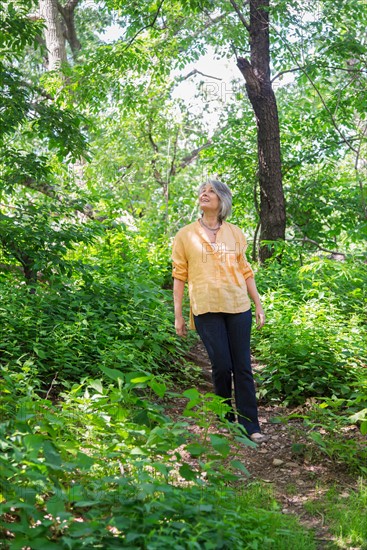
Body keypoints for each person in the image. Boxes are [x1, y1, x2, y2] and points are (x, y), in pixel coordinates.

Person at [172, 179, 268, 443]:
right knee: (222, 365)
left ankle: (252, 427)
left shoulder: (235, 233)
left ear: (222, 200)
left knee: (243, 367)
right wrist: (178, 315)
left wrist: (258, 303)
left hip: (238, 306)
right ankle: (227, 420)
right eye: (203, 190)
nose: (205, 193)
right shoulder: (185, 234)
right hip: (205, 308)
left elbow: (246, 271)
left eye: (212, 191)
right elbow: (179, 276)